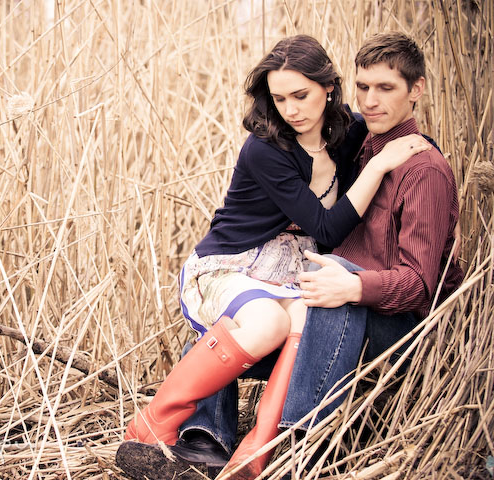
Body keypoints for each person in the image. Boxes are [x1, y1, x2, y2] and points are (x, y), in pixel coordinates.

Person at [115, 34, 431, 480]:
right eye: (279, 98)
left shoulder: (348, 131)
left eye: (301, 95)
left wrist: (421, 151)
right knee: (268, 323)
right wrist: (378, 169)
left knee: (309, 316)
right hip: (232, 263)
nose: (292, 110)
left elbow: (392, 134)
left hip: (291, 265)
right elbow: (325, 228)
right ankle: (150, 426)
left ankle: (253, 457)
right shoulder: (265, 149)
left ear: (329, 88)